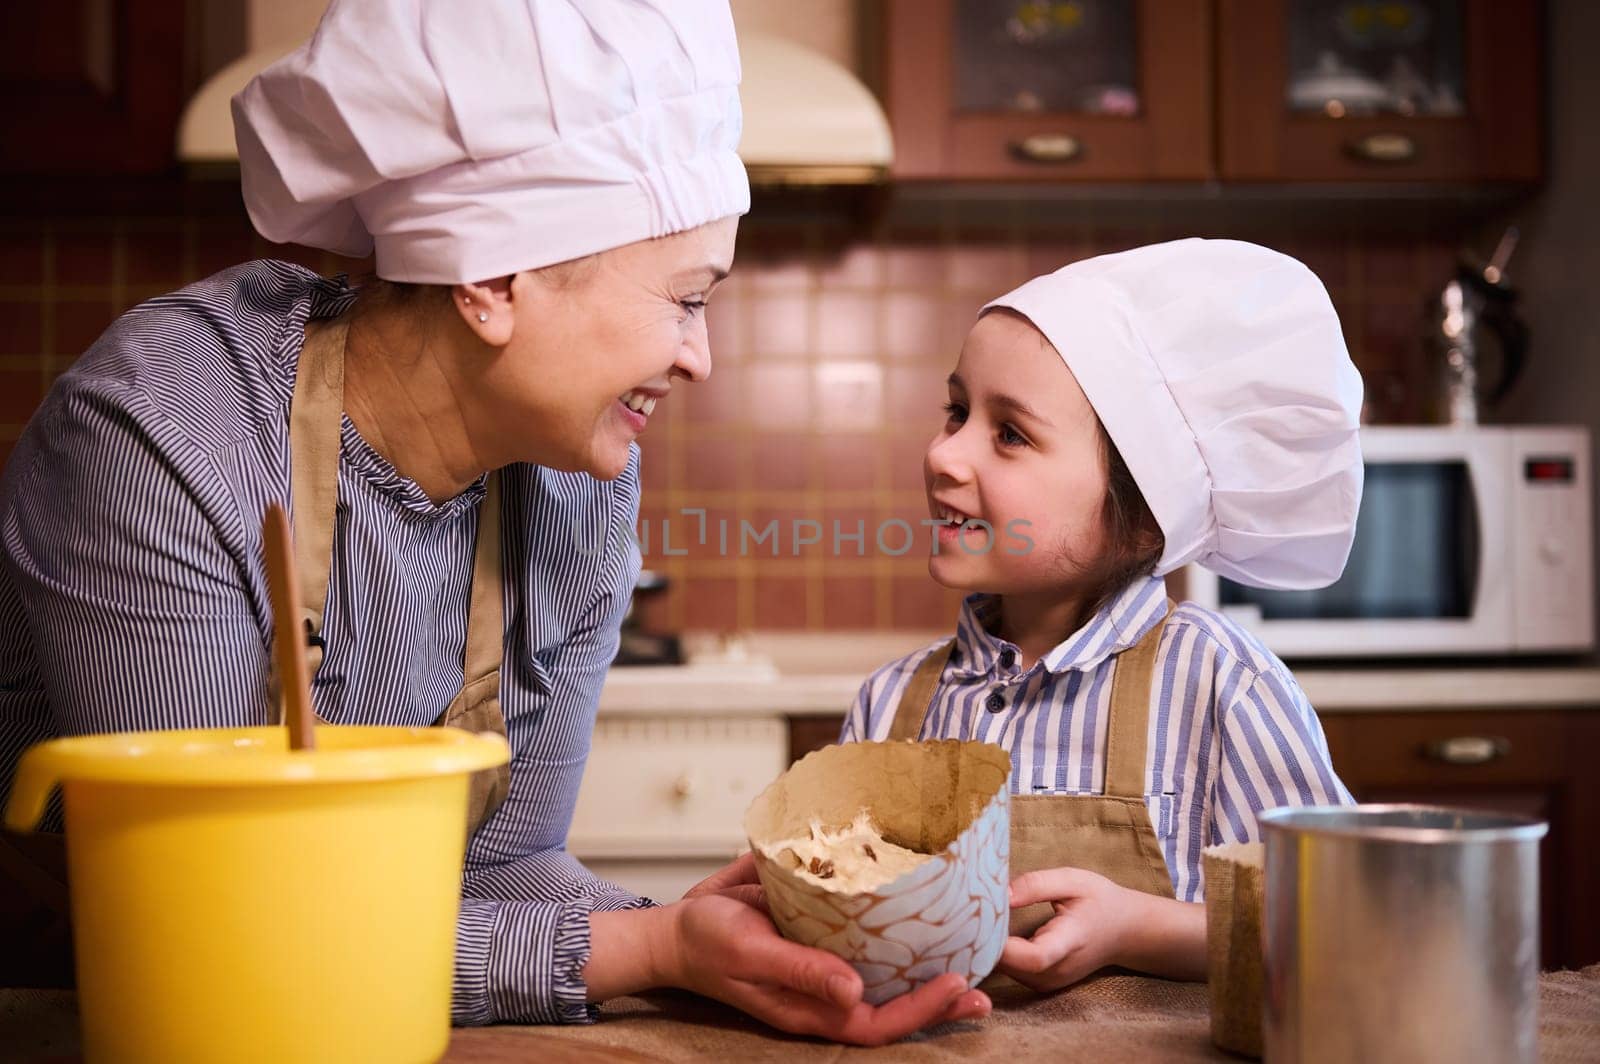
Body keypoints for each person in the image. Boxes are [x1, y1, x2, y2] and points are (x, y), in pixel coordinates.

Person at [0, 0, 988, 1043]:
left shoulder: (583, 486)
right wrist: (655, 948)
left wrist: (729, 937)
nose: (700, 357)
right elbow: (198, 913)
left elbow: (509, 866)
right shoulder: (163, 436)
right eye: (686, 299)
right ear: (491, 280)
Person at [841, 238, 1362, 991]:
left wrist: (1139, 928)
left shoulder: (1219, 686)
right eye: (957, 412)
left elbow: (1345, 917)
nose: (945, 455)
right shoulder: (890, 704)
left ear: (1142, 518)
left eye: (1010, 433)